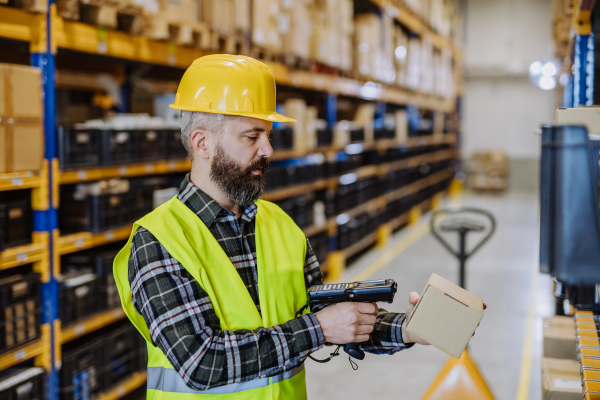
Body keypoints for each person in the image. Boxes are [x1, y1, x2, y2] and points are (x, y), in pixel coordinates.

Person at [113, 55, 435, 399]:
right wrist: (319, 328)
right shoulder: (158, 241)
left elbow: (332, 318)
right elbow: (201, 362)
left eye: (267, 135)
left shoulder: (281, 225)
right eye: (252, 137)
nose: (267, 149)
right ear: (202, 143)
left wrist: (407, 328)